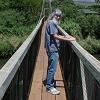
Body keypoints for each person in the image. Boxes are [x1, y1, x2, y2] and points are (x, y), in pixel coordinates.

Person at [44, 9, 75, 95]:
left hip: (50, 48)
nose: (58, 17)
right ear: (53, 15)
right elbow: (55, 36)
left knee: (51, 67)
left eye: (59, 15)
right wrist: (68, 38)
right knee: (52, 68)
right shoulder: (52, 23)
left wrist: (66, 36)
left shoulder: (51, 23)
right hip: (52, 49)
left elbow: (55, 35)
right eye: (56, 15)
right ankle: (49, 87)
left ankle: (50, 82)